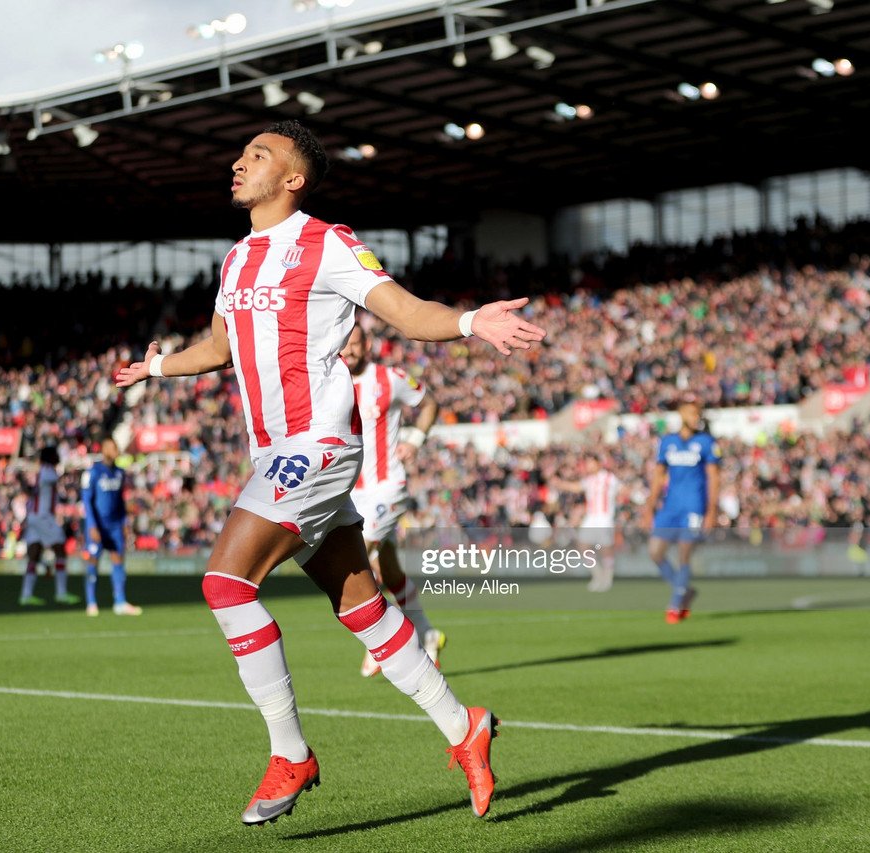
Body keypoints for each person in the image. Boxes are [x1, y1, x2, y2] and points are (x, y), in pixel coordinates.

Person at [115, 120, 546, 825]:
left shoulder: (330, 242)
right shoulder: (234, 260)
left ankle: (291, 752)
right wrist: (155, 367)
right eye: (241, 151)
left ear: (293, 179)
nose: (237, 161)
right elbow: (221, 347)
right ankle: (463, 723)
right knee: (362, 607)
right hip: (276, 453)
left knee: (225, 584)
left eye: (258, 155)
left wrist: (469, 323)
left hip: (313, 445)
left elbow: (405, 311)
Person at [339, 323, 445, 677]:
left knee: (359, 556)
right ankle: (428, 635)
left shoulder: (391, 378)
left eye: (355, 345)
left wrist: (415, 439)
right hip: (349, 492)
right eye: (344, 345)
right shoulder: (329, 382)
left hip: (388, 487)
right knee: (390, 570)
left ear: (367, 345)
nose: (349, 351)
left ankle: (382, 643)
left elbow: (429, 403)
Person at [641, 399, 719, 623]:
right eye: (694, 414)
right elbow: (658, 477)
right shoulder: (668, 442)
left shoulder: (706, 442)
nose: (697, 418)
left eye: (699, 415)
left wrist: (711, 511)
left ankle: (675, 604)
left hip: (693, 507)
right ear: (683, 415)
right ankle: (684, 589)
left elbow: (714, 477)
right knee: (655, 552)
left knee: (684, 554)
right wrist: (649, 508)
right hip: (670, 506)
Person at [80, 437, 142, 616]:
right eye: (111, 447)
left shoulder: (119, 473)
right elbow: (87, 501)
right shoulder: (92, 472)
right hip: (98, 525)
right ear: (103, 449)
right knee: (93, 560)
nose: (115, 450)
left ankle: (120, 602)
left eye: (116, 447)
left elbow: (120, 501)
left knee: (118, 560)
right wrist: (92, 525)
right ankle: (91, 602)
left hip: (115, 525)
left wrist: (124, 523)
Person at [18, 445, 79, 606]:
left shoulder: (41, 472)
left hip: (33, 516)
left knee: (34, 554)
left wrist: (22, 481)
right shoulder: (48, 471)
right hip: (43, 517)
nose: (58, 457)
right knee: (60, 549)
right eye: (56, 455)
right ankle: (61, 592)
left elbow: (33, 491)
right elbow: (50, 481)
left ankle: (26, 594)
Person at [554, 455, 620, 591]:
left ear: (598, 464)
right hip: (591, 517)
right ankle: (597, 574)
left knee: (605, 549)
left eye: (591, 463)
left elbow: (623, 490)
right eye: (587, 463)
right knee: (583, 545)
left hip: (604, 517)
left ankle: (608, 578)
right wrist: (560, 483)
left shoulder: (609, 478)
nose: (588, 466)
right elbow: (576, 487)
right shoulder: (589, 480)